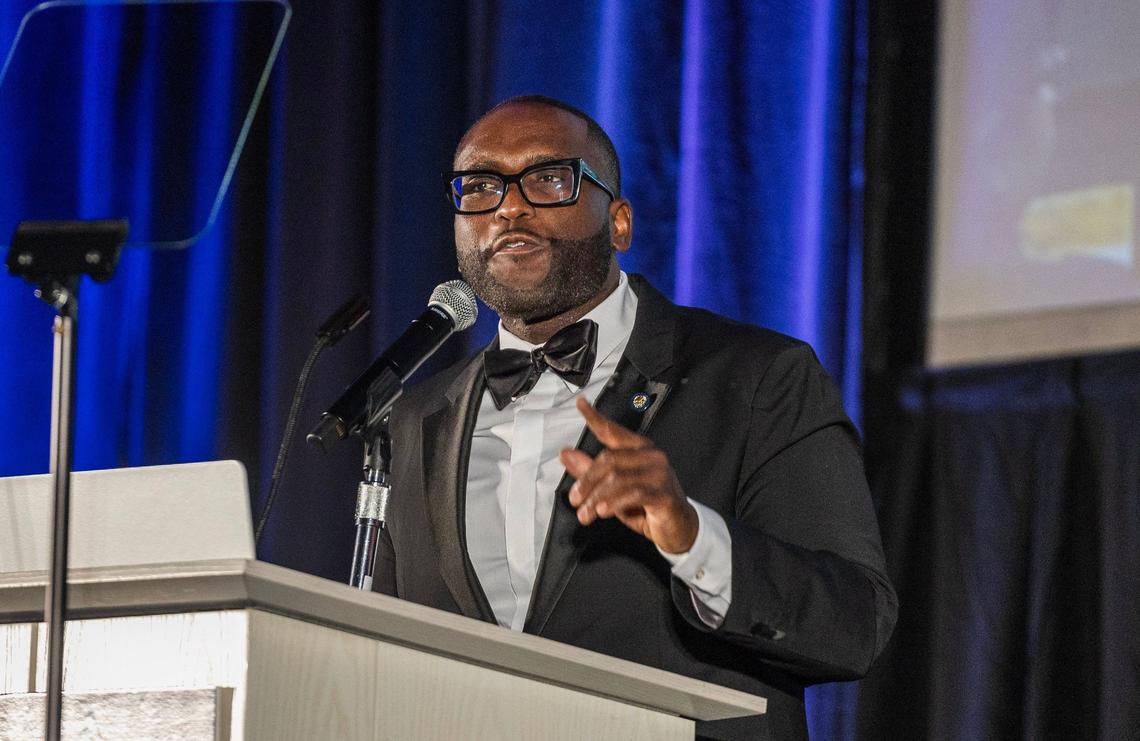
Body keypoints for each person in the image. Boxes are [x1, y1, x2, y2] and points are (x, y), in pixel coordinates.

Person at [374, 94, 897, 741]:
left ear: (618, 221)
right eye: (480, 186)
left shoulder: (759, 377)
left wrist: (693, 536)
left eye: (547, 178)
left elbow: (856, 624)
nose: (509, 206)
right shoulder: (414, 419)